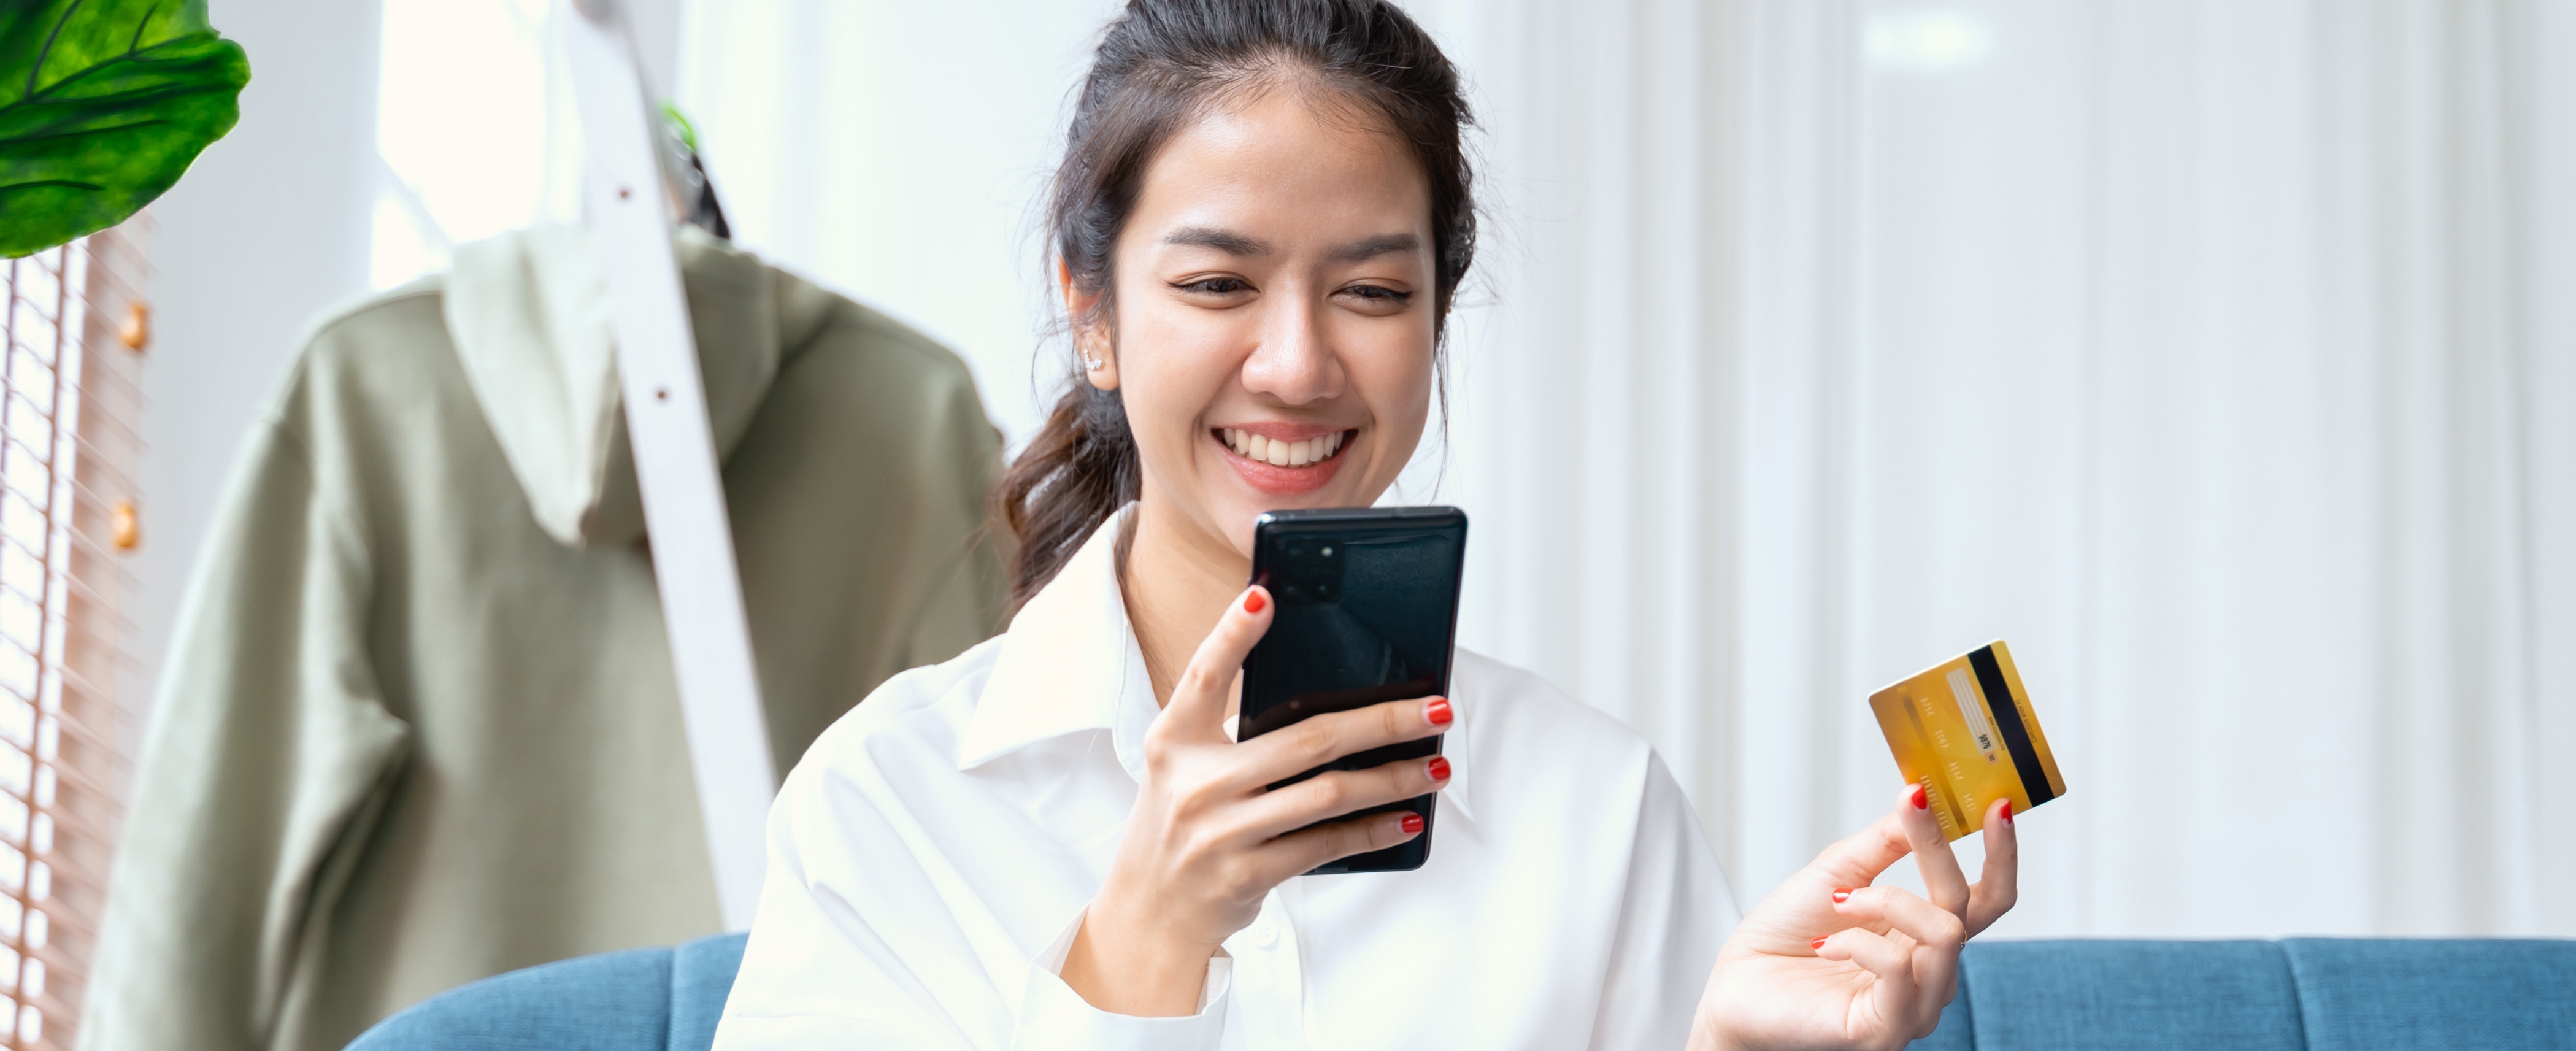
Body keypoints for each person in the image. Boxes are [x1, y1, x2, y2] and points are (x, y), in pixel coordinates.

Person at [713, 1, 2019, 1047]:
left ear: (1436, 319)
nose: (1294, 363)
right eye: (1219, 281)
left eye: (1372, 290)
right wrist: (1143, 942)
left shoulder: (1594, 803)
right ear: (1093, 313)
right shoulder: (888, 803)